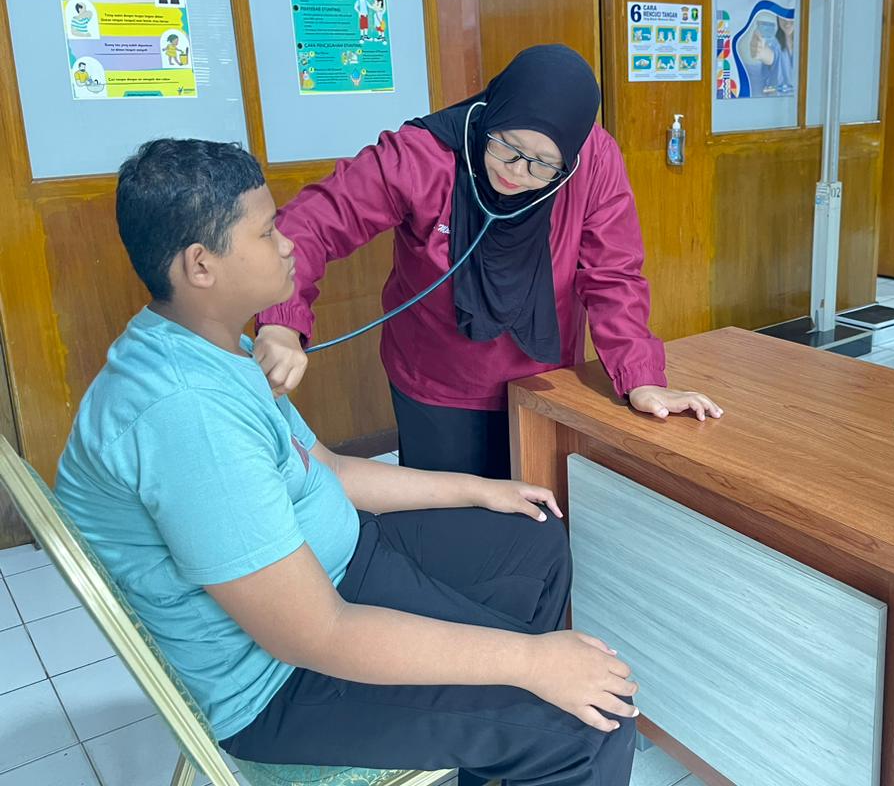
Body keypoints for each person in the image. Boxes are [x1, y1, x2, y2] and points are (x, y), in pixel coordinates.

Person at [56, 138, 638, 785]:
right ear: (201, 265)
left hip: (338, 564)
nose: (288, 245)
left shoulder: (211, 345)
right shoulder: (186, 416)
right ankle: (526, 738)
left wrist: (479, 488)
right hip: (283, 681)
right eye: (267, 232)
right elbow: (317, 635)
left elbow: (325, 469)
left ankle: (500, 753)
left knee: (532, 536)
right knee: (594, 725)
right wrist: (530, 662)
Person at [255, 44, 721, 480]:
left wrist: (640, 377)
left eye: (543, 165)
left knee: (538, 507)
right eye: (507, 146)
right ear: (493, 113)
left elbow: (613, 275)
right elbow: (310, 225)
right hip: (436, 383)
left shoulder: (592, 159)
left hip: (544, 384)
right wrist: (281, 322)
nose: (516, 172)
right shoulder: (423, 154)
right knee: (447, 516)